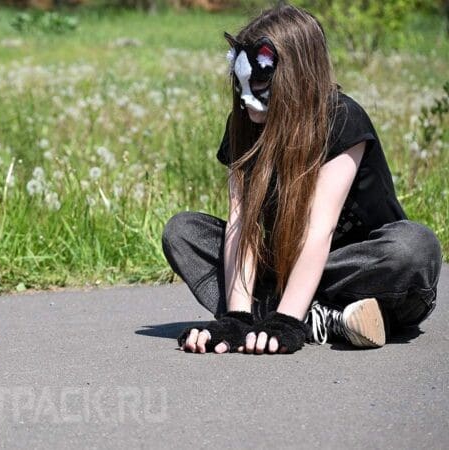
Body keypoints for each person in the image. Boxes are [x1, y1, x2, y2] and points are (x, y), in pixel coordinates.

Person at [161, 4, 442, 354]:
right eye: (240, 80)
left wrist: (287, 321)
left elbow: (318, 229)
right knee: (183, 231)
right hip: (284, 268)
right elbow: (241, 226)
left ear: (296, 76)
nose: (246, 96)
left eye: (260, 81)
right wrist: (235, 318)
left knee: (414, 246)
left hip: (364, 274)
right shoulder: (245, 125)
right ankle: (325, 318)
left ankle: (295, 314)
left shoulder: (341, 118)